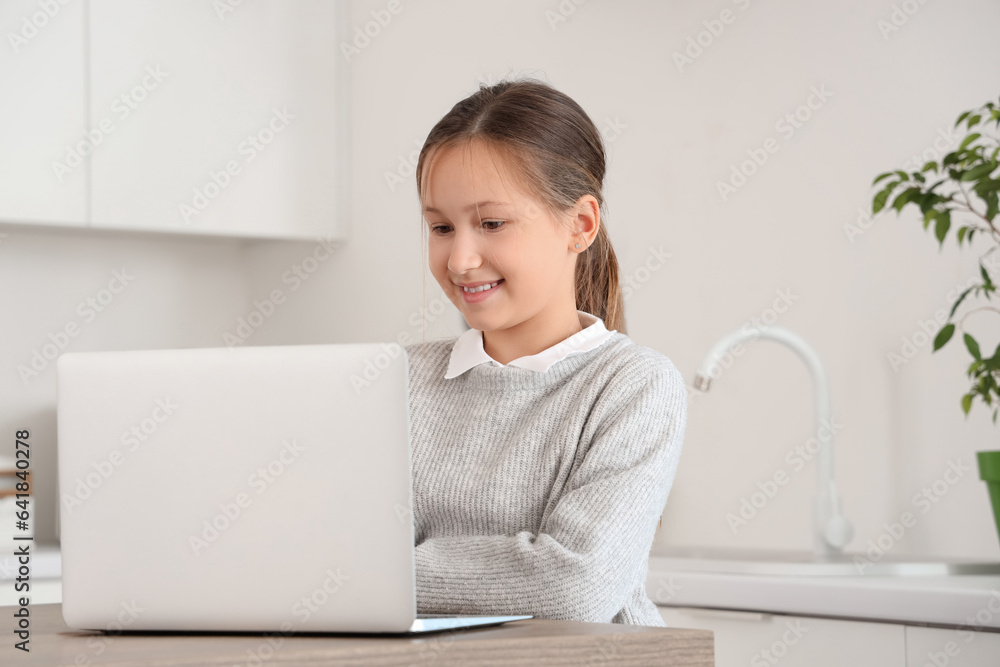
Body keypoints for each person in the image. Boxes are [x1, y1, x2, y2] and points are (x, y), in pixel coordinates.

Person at [404, 77, 687, 626]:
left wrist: (387, 572)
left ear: (579, 226)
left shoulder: (633, 387)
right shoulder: (400, 381)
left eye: (491, 223)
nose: (460, 259)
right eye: (440, 226)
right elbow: (331, 566)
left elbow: (574, 588)